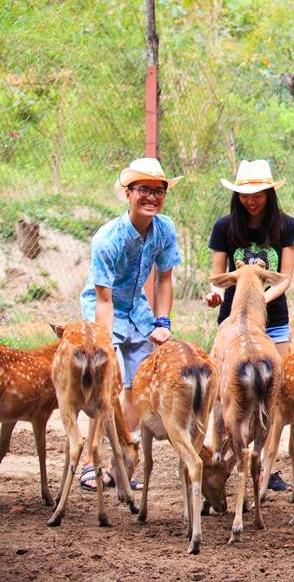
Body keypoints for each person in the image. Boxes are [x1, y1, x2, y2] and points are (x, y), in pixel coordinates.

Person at [78, 158, 182, 491]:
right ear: (128, 194)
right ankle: (88, 463)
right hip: (104, 311)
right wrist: (103, 342)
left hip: (138, 310)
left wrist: (163, 321)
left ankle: (122, 462)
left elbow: (164, 279)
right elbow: (104, 300)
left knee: (136, 389)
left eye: (158, 191)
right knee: (107, 385)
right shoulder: (107, 239)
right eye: (143, 190)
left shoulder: (164, 229)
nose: (151, 197)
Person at [204, 159, 294, 492]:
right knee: (224, 395)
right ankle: (219, 457)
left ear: (270, 193)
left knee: (273, 395)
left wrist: (259, 302)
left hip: (272, 323)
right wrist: (216, 295)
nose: (251, 200)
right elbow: (218, 278)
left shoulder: (287, 227)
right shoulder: (224, 227)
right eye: (245, 194)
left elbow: (284, 279)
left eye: (258, 193)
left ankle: (266, 467)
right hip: (233, 326)